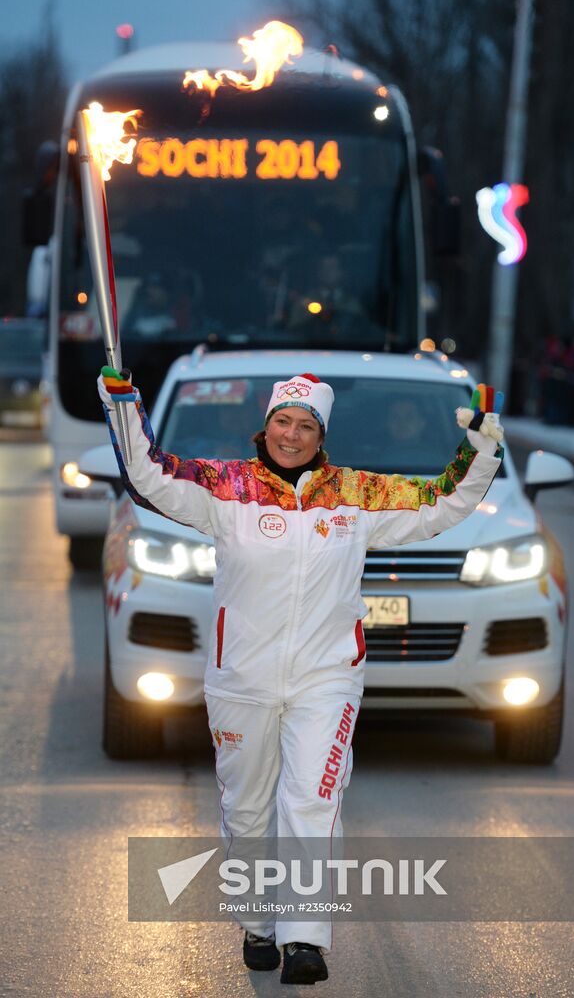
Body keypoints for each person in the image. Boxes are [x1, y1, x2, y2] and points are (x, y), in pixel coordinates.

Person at [97, 368, 505, 985]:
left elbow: (441, 502)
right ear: (266, 426)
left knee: (313, 800)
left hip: (326, 677)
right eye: (283, 422)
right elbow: (150, 475)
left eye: (306, 425)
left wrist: (479, 448)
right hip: (242, 679)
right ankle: (258, 920)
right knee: (247, 810)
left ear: (322, 435)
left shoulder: (353, 496)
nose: (292, 435)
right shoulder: (226, 488)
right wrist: (125, 406)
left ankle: (305, 940)